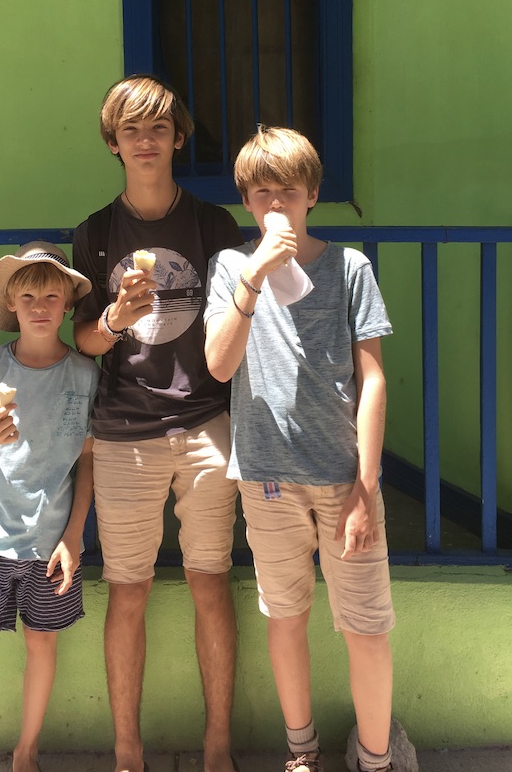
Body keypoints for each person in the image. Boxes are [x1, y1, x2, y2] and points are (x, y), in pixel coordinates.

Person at [204, 128, 396, 772]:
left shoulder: (350, 268)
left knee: (366, 627)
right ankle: (301, 752)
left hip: (344, 479)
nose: (276, 204)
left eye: (289, 190)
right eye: (262, 193)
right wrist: (255, 275)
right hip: (267, 478)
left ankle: (375, 759)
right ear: (245, 201)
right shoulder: (230, 268)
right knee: (286, 617)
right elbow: (219, 366)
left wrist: (366, 488)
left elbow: (372, 379)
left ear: (313, 194)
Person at [72, 75, 245, 772]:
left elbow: (237, 326)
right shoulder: (94, 234)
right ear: (114, 144)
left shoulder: (213, 226)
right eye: (131, 131)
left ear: (178, 139)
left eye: (159, 129)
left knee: (210, 581)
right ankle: (127, 754)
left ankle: (218, 747)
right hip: (123, 432)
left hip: (207, 424)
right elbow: (82, 341)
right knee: (128, 590)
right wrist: (114, 318)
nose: (146, 141)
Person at [0, 242, 100, 772]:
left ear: (67, 304)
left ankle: (25, 753)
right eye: (28, 296)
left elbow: (87, 460)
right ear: (11, 303)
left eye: (51, 296)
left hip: (51, 542)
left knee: (42, 642)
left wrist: (74, 535)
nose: (39, 306)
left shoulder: (85, 375)